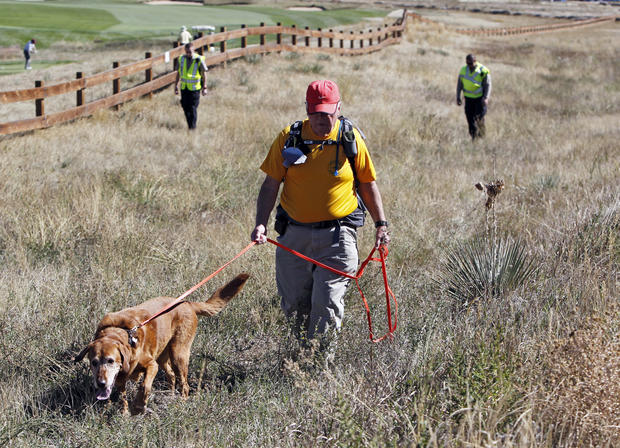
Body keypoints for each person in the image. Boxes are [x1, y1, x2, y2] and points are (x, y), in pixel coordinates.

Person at [251, 79, 390, 348]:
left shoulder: (350, 139)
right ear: (306, 108)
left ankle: (320, 368)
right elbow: (270, 185)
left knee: (326, 304)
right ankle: (301, 361)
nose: (320, 119)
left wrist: (381, 225)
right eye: (314, 113)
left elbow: (367, 184)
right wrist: (261, 224)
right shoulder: (288, 137)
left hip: (337, 238)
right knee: (294, 307)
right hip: (293, 237)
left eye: (327, 113)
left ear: (338, 108)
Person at [456, 54, 491, 140]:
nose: (469, 66)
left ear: (475, 61)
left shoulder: (483, 71)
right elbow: (459, 84)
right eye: (468, 63)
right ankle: (473, 137)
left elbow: (488, 85)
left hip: (480, 99)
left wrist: (486, 97)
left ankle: (482, 136)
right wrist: (458, 96)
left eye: (471, 63)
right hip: (468, 99)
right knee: (470, 119)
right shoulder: (463, 70)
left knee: (478, 118)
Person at [174, 42, 207, 130]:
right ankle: (190, 126)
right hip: (184, 88)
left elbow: (204, 74)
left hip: (194, 89)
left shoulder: (199, 59)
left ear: (194, 50)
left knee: (192, 108)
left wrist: (204, 87)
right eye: (187, 52)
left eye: (190, 52)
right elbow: (178, 73)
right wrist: (176, 85)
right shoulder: (181, 59)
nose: (189, 54)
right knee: (185, 107)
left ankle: (192, 128)